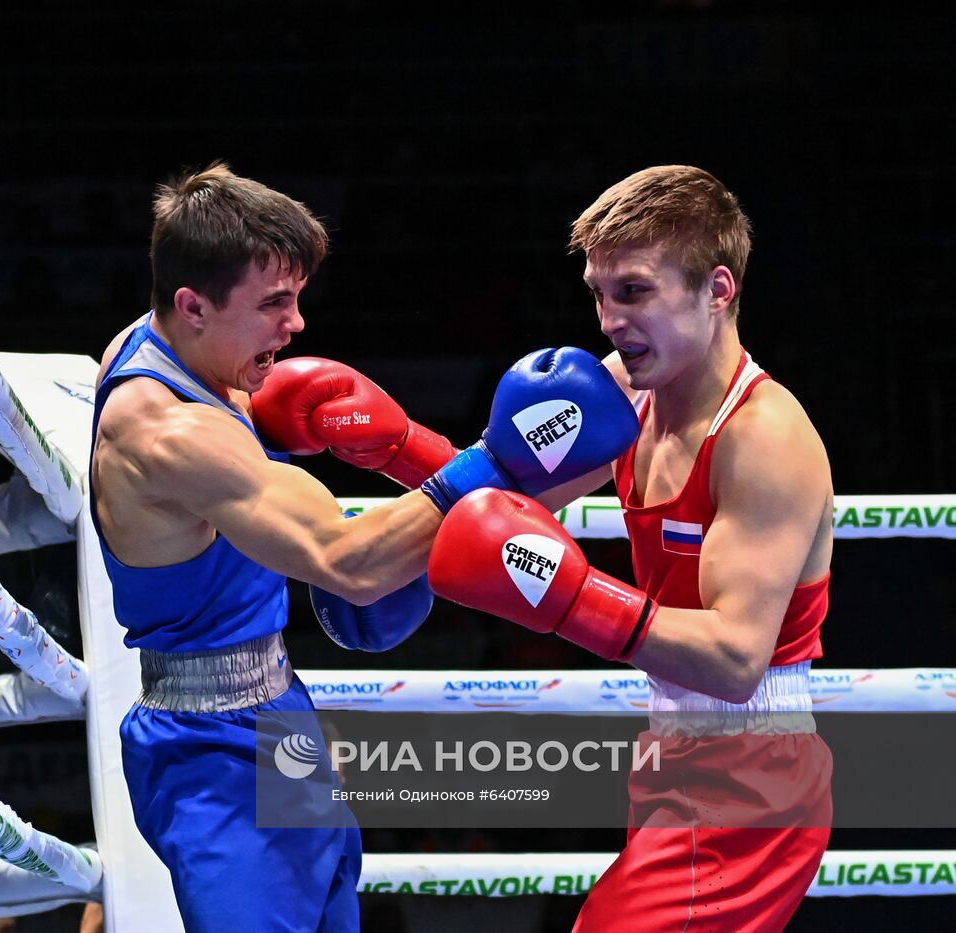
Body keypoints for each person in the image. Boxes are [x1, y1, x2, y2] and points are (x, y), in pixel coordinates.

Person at [89, 162, 639, 932]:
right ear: (192, 305)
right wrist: (493, 459)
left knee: (331, 909)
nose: (297, 325)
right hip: (208, 753)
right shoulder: (168, 431)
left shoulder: (177, 344)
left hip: (278, 714)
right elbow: (352, 567)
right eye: (273, 304)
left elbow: (200, 197)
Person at [428, 165, 833, 931]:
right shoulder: (622, 393)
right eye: (600, 293)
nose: (610, 319)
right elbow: (495, 505)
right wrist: (396, 451)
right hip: (669, 752)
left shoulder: (764, 439)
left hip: (755, 776)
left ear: (717, 289)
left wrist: (572, 599)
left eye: (635, 291)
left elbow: (735, 661)